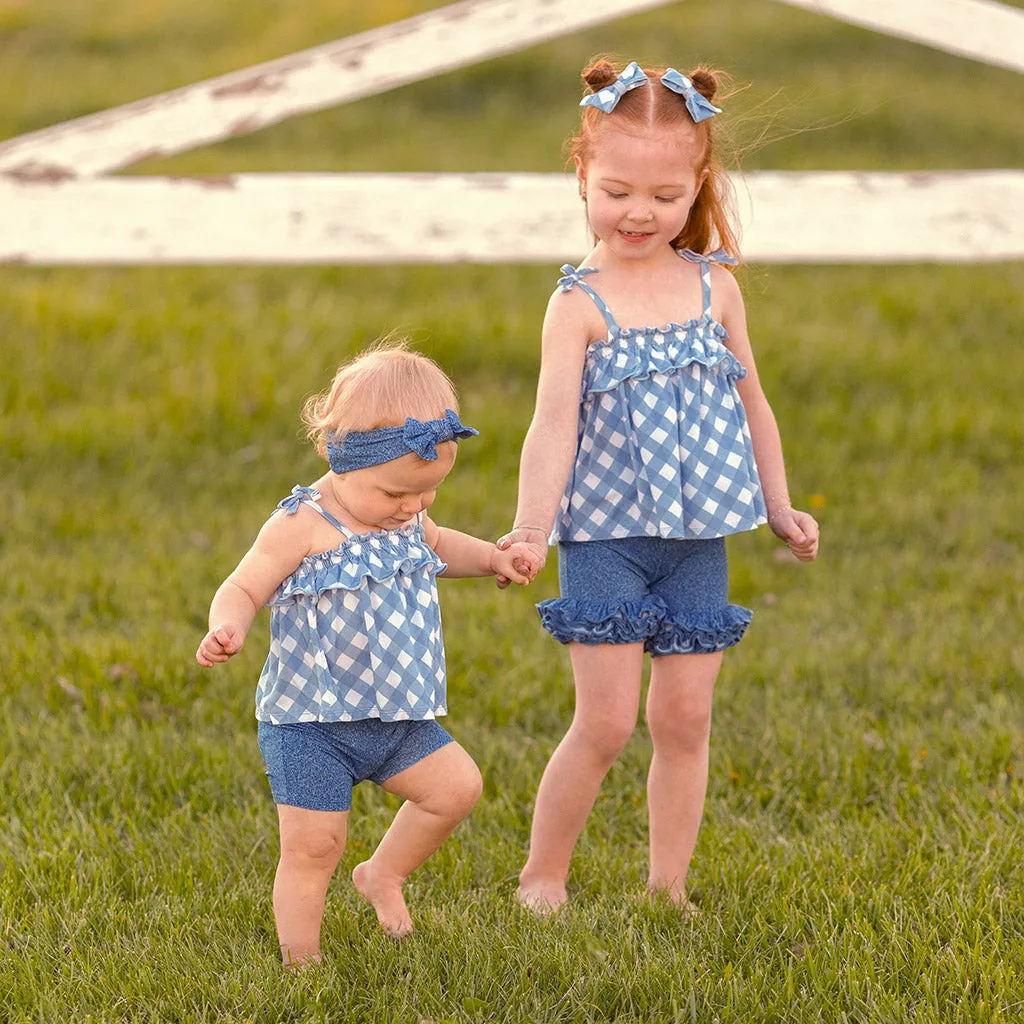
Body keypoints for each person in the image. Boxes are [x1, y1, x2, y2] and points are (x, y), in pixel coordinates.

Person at [500, 59, 820, 915]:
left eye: (665, 196)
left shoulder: (714, 287)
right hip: (607, 539)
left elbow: (755, 400)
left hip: (696, 544)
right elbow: (551, 424)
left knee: (685, 722)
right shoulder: (578, 304)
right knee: (604, 724)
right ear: (581, 175)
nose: (639, 212)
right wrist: (533, 526)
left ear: (697, 186)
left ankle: (667, 888)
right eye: (617, 191)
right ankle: (543, 876)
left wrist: (779, 503)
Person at [196, 341, 540, 966]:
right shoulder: (302, 524)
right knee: (315, 846)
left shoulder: (404, 517)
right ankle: (302, 961)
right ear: (338, 457)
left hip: (396, 716)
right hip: (310, 725)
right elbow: (244, 584)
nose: (412, 509)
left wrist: (491, 556)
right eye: (396, 495)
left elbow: (441, 547)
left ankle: (382, 873)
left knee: (457, 788)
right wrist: (228, 625)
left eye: (427, 493)